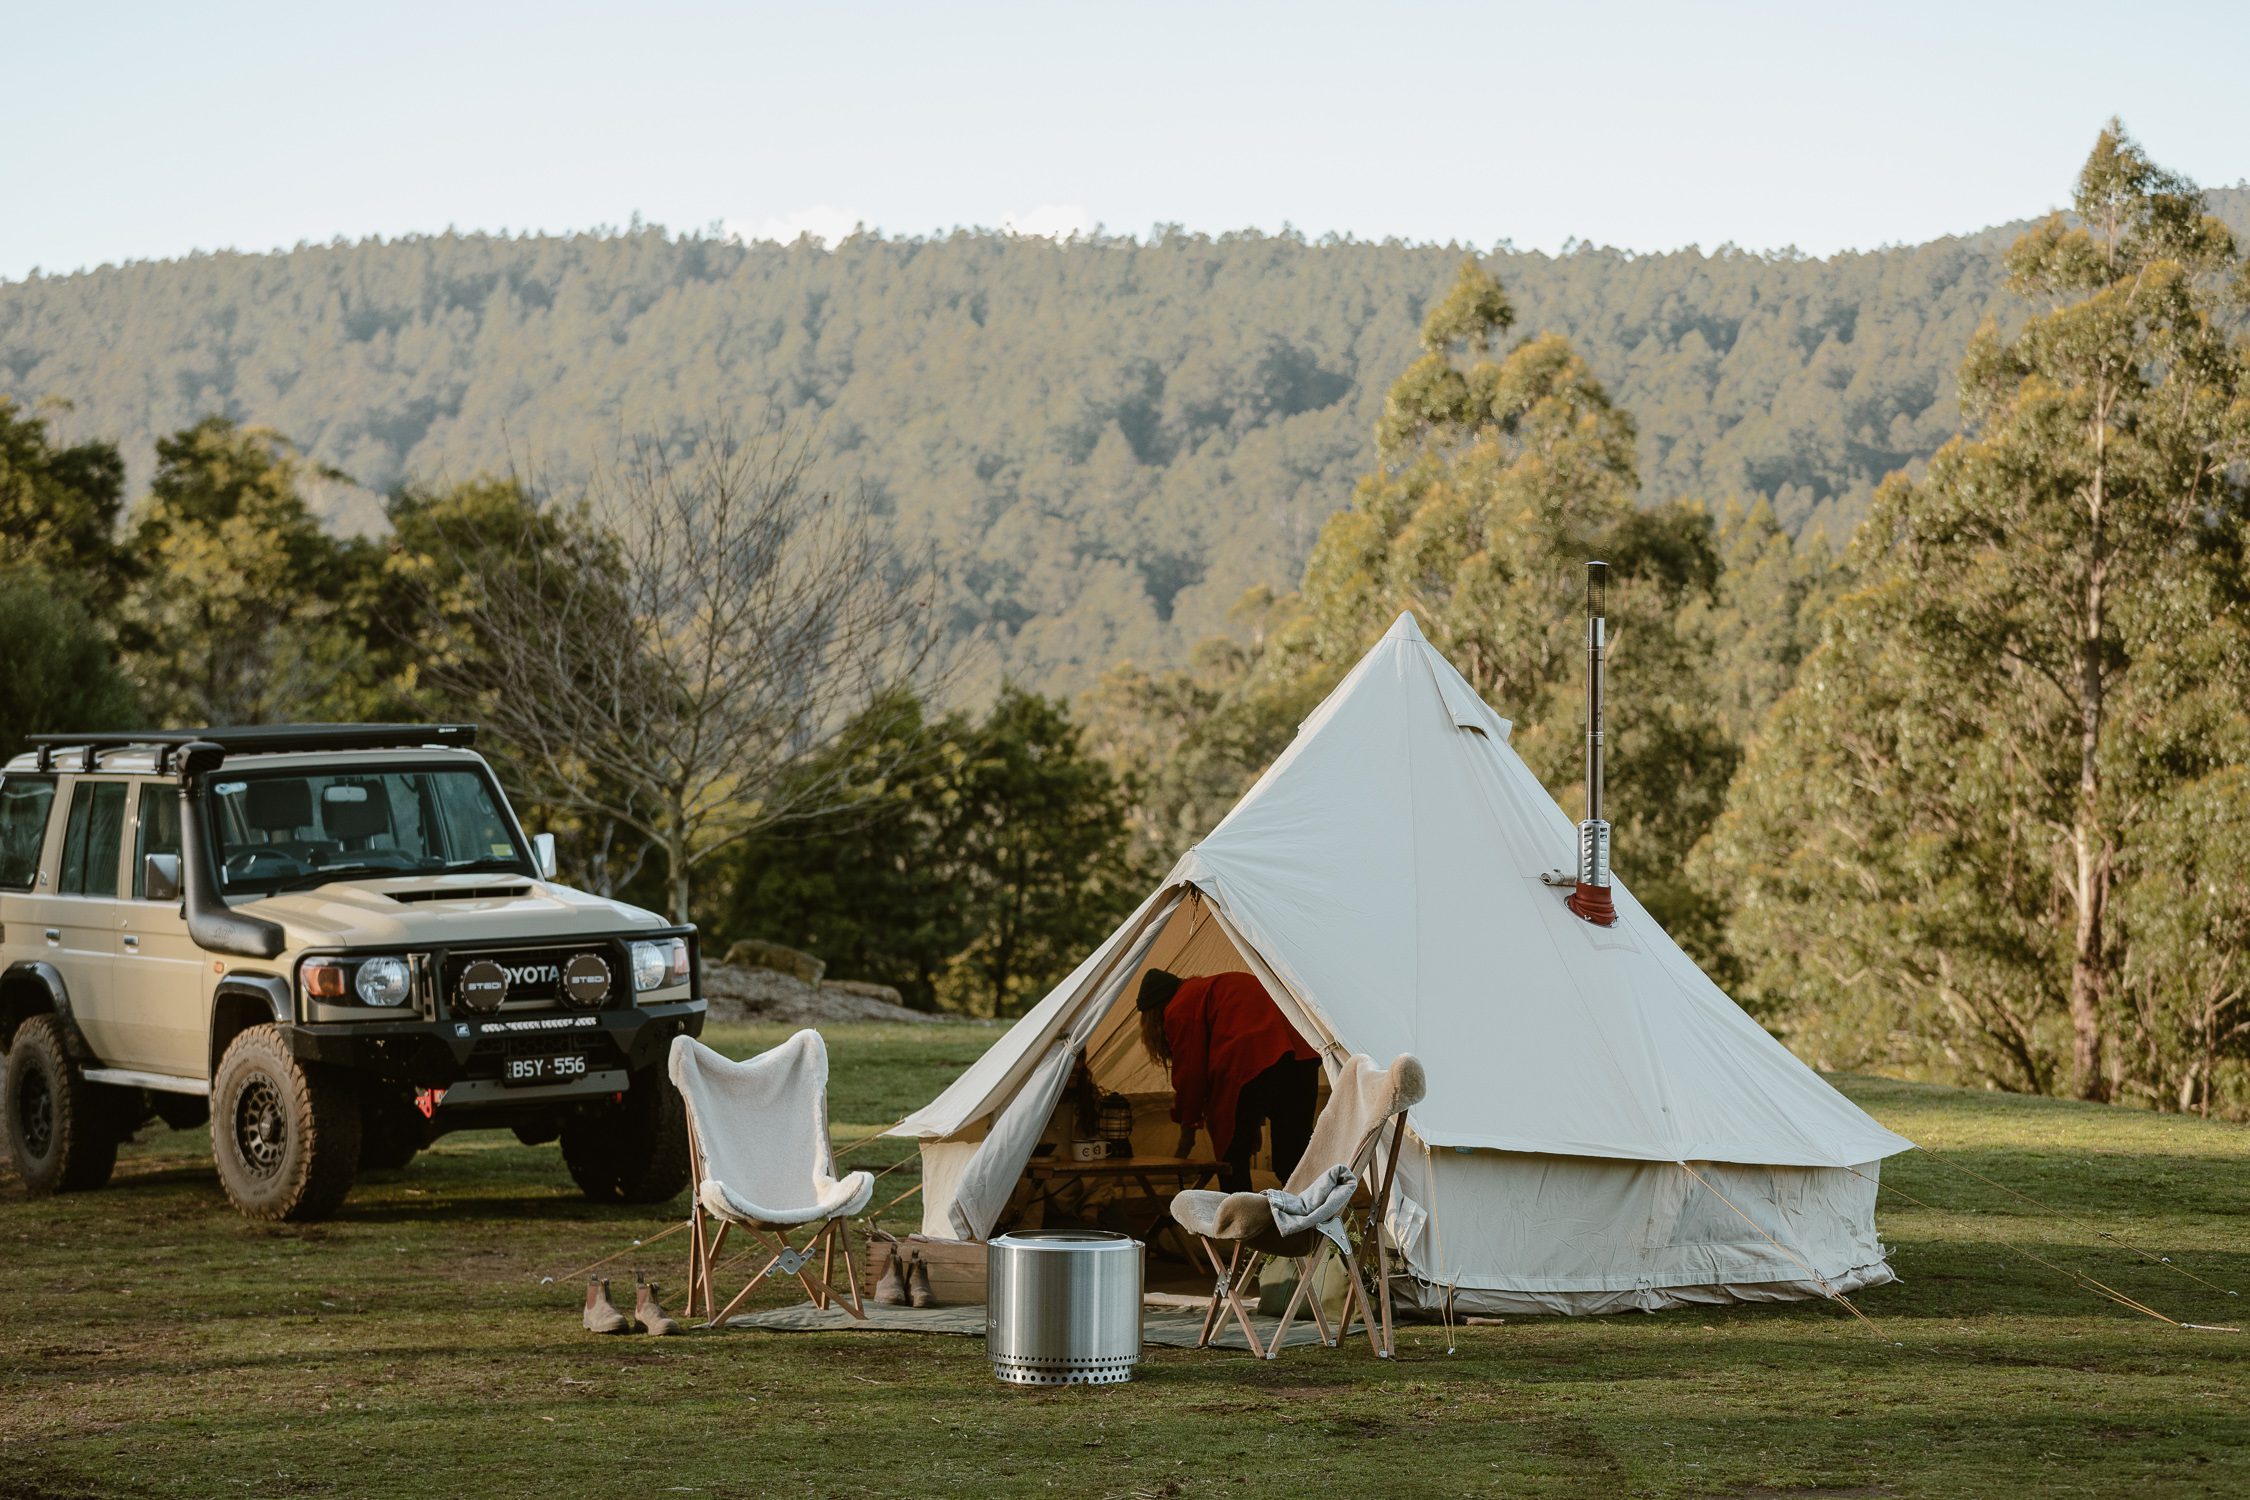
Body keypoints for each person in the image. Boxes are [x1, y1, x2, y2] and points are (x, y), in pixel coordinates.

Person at [1137, 968, 1320, 1193]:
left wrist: (1188, 1131)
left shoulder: (1180, 1005)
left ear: (1154, 1014)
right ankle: (1308, 1222)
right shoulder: (1219, 986)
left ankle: (1239, 1224)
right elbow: (1263, 1044)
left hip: (1250, 1066)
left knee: (1232, 1162)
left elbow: (1191, 1073)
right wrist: (1252, 1122)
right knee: (1294, 1160)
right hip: (1301, 1058)